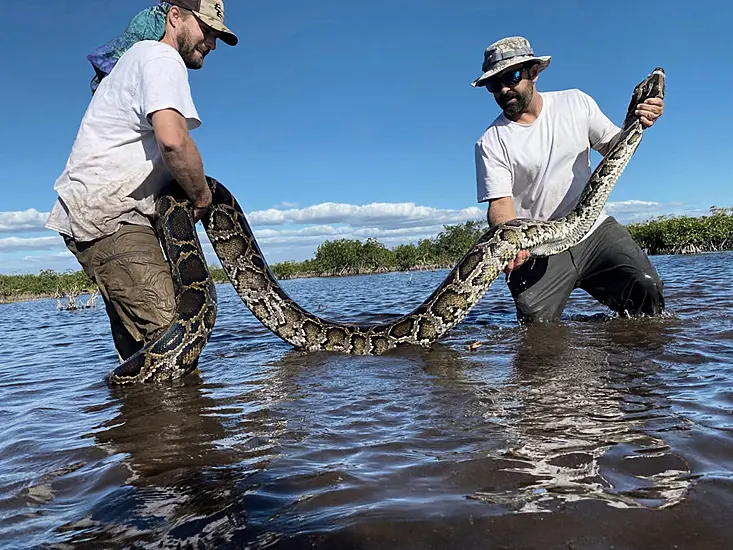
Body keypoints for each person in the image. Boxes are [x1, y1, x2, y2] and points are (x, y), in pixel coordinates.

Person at [45, 1, 238, 361]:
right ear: (175, 16)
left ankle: (135, 417)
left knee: (142, 353)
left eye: (216, 36)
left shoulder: (137, 60)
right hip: (114, 218)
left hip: (102, 212)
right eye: (206, 30)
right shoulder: (160, 58)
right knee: (175, 336)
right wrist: (200, 198)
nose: (210, 43)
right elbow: (173, 140)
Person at [471, 36, 665, 323]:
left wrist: (640, 121)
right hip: (537, 246)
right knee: (536, 327)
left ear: (533, 72)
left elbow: (614, 147)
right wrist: (511, 243)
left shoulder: (576, 102)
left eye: (511, 77)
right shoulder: (490, 142)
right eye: (493, 84)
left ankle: (634, 362)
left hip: (593, 230)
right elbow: (500, 206)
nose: (503, 89)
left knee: (646, 288)